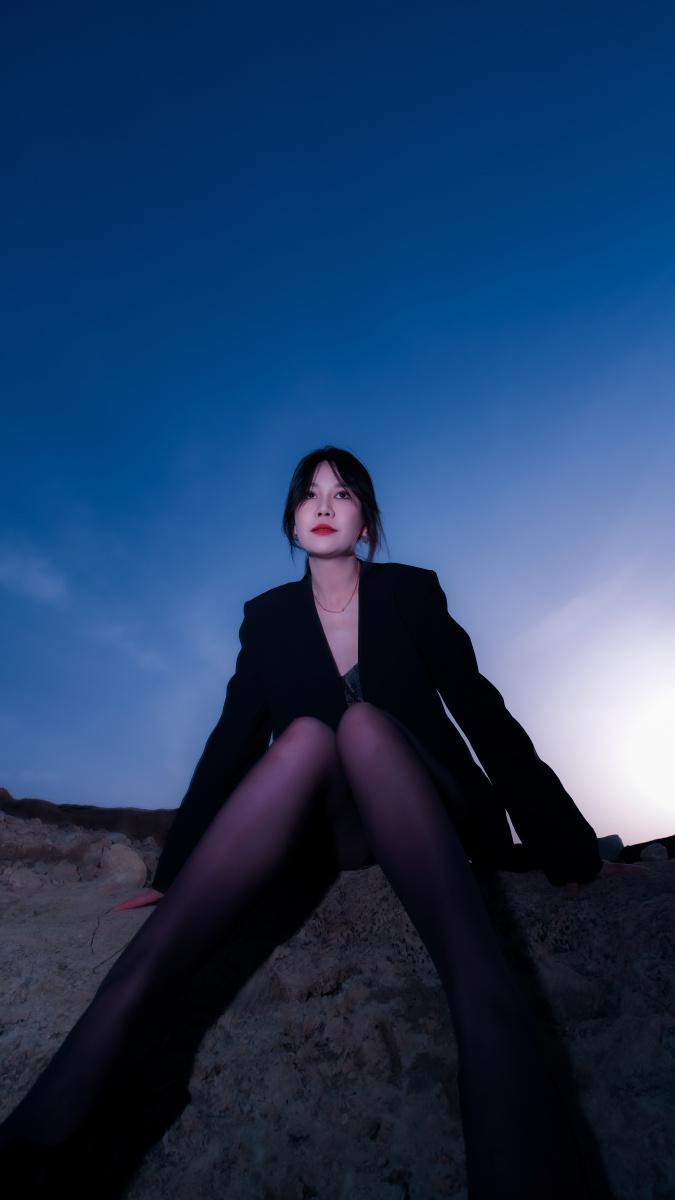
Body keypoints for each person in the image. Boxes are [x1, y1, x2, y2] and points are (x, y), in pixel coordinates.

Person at [0, 447, 639, 1199]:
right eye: (309, 494)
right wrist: (178, 873)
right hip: (334, 827)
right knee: (302, 737)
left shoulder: (409, 591)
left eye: (342, 493)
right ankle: (58, 1118)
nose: (324, 504)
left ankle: (506, 1074)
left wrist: (565, 848)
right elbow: (233, 741)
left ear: (366, 522)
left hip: (425, 802)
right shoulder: (267, 618)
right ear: (293, 523)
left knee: (364, 726)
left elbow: (481, 712)